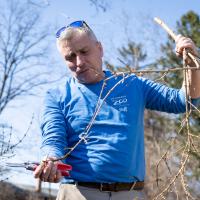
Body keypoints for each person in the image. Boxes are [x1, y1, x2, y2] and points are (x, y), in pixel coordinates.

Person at [34, 20, 200, 200]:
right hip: (78, 193)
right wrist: (52, 159)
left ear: (100, 49)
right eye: (70, 57)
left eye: (84, 52)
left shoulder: (131, 84)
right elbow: (53, 138)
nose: (79, 62)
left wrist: (191, 64)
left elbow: (184, 102)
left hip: (131, 194)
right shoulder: (56, 95)